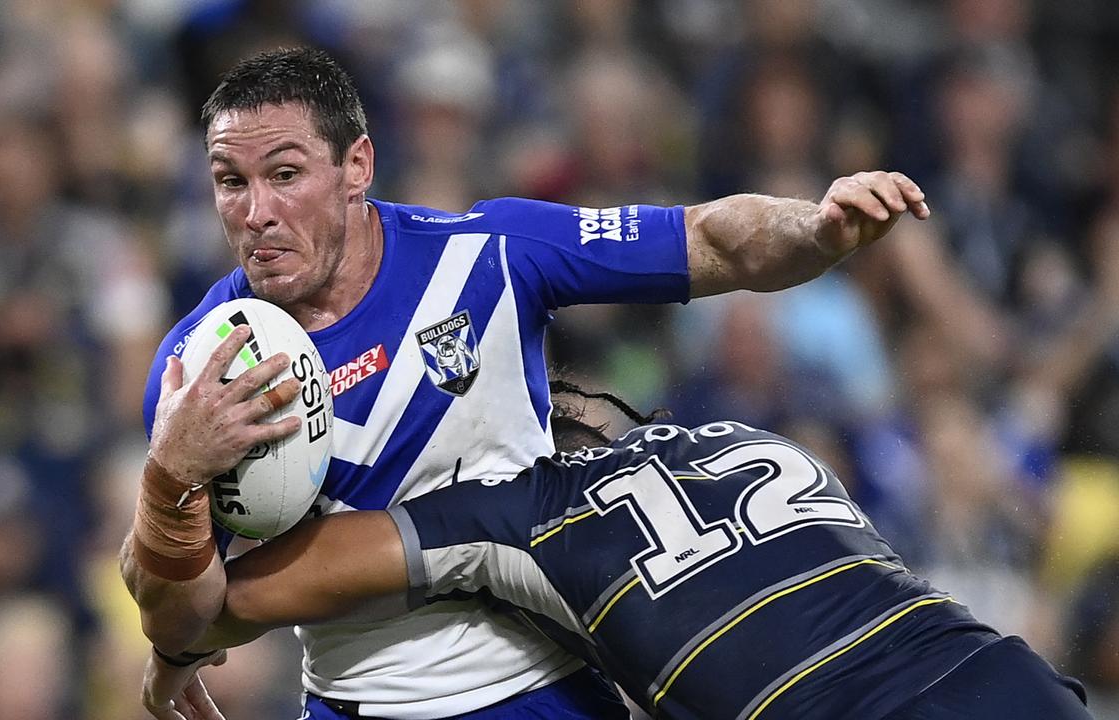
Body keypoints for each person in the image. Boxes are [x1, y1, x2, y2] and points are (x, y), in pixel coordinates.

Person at [120, 46, 931, 719]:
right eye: (231, 182)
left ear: (356, 165)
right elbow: (184, 616)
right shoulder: (201, 368)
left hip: (548, 685)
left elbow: (711, 239)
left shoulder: (488, 254)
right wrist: (171, 478)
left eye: (285, 173)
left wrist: (818, 227)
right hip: (355, 699)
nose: (256, 211)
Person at [142, 384, 1093, 720]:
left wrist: (170, 516)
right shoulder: (751, 438)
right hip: (1005, 676)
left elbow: (241, 595)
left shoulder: (524, 511)